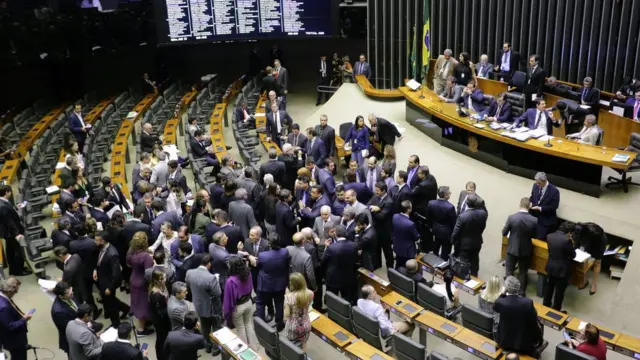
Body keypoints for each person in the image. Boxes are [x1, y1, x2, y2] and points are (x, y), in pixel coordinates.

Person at [494, 276, 543, 356]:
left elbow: (495, 306)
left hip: (503, 341)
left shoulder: (500, 302)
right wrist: (538, 338)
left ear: (506, 288)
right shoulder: (527, 303)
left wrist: (503, 293)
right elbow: (533, 323)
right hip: (522, 345)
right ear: (519, 288)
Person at [185, 254, 221, 354]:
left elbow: (187, 285)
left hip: (198, 305)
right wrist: (216, 281)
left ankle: (207, 345)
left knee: (204, 327)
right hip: (212, 307)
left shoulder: (189, 273)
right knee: (216, 327)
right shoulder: (211, 278)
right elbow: (218, 293)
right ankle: (215, 347)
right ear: (209, 264)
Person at [255, 234, 290, 332]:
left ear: (269, 243)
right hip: (280, 284)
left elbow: (258, 266)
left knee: (260, 304)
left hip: (265, 284)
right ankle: (279, 324)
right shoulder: (285, 252)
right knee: (279, 303)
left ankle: (262, 326)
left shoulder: (263, 255)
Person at [502, 197, 538, 294]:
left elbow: (504, 233)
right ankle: (521, 293)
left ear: (520, 205)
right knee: (522, 272)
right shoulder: (534, 220)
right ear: (529, 206)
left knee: (509, 272)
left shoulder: (512, 217)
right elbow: (535, 235)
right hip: (526, 250)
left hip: (512, 248)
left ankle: (507, 291)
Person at [224, 256, 259, 350]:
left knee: (240, 328)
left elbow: (227, 300)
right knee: (248, 324)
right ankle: (254, 346)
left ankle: (245, 349)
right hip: (248, 303)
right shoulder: (248, 274)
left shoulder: (230, 281)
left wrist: (226, 313)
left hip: (238, 307)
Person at [95, 231, 129, 325]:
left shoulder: (112, 254)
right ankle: (125, 308)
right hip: (102, 278)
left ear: (102, 241)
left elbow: (116, 273)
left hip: (108, 282)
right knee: (110, 299)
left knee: (110, 304)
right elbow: (99, 260)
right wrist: (95, 269)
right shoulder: (102, 248)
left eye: (97, 241)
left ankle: (116, 324)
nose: (95, 242)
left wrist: (110, 287)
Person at [451, 193, 488, 277]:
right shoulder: (483, 214)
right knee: (475, 260)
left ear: (467, 203)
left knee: (463, 261)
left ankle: (464, 277)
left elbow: (456, 231)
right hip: (477, 241)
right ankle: (474, 276)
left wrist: (453, 241)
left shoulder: (462, 216)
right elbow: (483, 227)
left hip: (464, 244)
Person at [544, 222, 577, 311]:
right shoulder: (567, 241)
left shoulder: (549, 236)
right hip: (562, 270)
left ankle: (545, 306)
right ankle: (556, 309)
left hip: (550, 266)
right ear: (569, 232)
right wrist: (571, 242)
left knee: (549, 288)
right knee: (559, 292)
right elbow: (573, 255)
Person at [323, 225, 359, 305]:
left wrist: (326, 248)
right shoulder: (354, 245)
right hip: (348, 277)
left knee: (332, 300)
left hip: (333, 278)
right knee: (347, 299)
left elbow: (324, 262)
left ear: (336, 234)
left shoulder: (331, 248)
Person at [127, 231, 154, 336]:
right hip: (142, 282)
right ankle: (141, 330)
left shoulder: (131, 252)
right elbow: (148, 273)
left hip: (133, 278)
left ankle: (143, 323)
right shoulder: (146, 256)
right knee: (143, 305)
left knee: (136, 302)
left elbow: (128, 263)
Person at [0, 184, 28, 276]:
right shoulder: (3, 206)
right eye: (10, 191)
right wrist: (17, 234)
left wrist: (16, 208)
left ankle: (13, 269)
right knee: (17, 252)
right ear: (7, 192)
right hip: (11, 233)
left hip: (8, 232)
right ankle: (19, 270)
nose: (11, 193)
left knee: (11, 251)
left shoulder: (3, 202)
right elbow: (9, 222)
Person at [0, 277, 30, 360]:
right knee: (19, 357)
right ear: (10, 291)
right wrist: (24, 319)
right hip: (14, 341)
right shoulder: (4, 307)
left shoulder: (3, 295)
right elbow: (10, 326)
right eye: (15, 291)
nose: (16, 293)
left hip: (13, 338)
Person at [573, 222, 607, 295]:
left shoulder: (598, 237)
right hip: (586, 241)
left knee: (597, 263)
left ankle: (594, 284)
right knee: (584, 261)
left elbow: (595, 248)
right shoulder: (581, 230)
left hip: (598, 244)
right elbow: (577, 244)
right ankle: (584, 281)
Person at [368, 181, 394, 269]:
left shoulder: (389, 201)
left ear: (383, 191)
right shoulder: (375, 196)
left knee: (387, 250)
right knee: (376, 247)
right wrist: (372, 208)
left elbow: (382, 216)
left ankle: (390, 267)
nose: (376, 192)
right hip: (376, 228)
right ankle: (377, 264)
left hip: (385, 231)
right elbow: (368, 205)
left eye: (378, 190)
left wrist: (375, 210)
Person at [284, 272, 314, 350]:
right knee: (303, 344)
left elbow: (286, 315)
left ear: (294, 284)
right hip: (306, 325)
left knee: (292, 349)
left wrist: (285, 301)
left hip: (293, 327)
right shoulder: (310, 293)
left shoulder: (288, 297)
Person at [427, 186, 457, 261]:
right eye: (449, 193)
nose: (450, 194)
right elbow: (454, 222)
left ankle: (433, 261)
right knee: (445, 251)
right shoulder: (450, 207)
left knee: (436, 247)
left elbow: (429, 217)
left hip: (436, 229)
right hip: (447, 233)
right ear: (445, 195)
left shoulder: (431, 203)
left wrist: (431, 227)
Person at [529, 172, 560, 240]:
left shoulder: (554, 191)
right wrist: (530, 203)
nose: (537, 184)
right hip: (534, 218)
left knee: (539, 240)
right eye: (536, 182)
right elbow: (532, 197)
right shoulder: (535, 185)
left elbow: (554, 206)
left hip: (545, 221)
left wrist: (540, 208)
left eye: (539, 183)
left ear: (544, 181)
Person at [149, 270, 171, 360]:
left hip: (165, 317)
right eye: (163, 278)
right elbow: (160, 312)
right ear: (157, 280)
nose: (166, 279)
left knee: (166, 336)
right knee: (161, 338)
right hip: (159, 320)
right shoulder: (155, 295)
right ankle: (161, 356)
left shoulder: (164, 286)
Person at [392, 200, 420, 269]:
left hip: (397, 246)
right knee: (408, 268)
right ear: (408, 209)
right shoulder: (410, 224)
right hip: (407, 251)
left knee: (398, 264)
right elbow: (416, 237)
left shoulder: (394, 216)